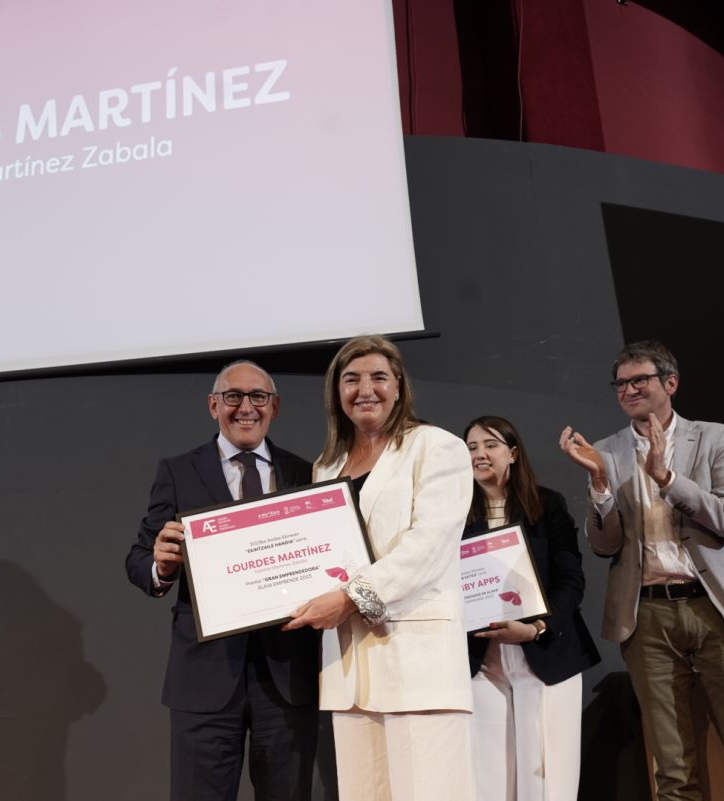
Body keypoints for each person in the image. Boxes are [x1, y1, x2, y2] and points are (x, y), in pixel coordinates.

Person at [558, 340, 724, 801]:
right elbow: (605, 546)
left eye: (638, 380)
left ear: (670, 383)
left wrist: (668, 479)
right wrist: (600, 486)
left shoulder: (713, 437)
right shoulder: (605, 450)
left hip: (718, 612)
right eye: (620, 383)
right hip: (647, 618)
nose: (628, 390)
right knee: (673, 772)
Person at [284, 335, 475, 801]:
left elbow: (428, 546)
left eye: (378, 377)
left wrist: (349, 597)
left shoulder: (436, 447)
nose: (364, 389)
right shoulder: (326, 467)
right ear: (336, 391)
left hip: (417, 664)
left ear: (399, 385)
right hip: (350, 672)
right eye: (351, 379)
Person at [124, 360, 320, 801]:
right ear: (213, 406)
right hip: (204, 678)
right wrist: (162, 565)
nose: (245, 407)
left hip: (287, 678)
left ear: (275, 407)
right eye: (233, 396)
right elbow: (138, 560)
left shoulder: (306, 475)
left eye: (258, 397)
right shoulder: (177, 470)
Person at [462, 415, 600, 801]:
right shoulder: (455, 515)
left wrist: (538, 627)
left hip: (544, 654)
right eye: (471, 447)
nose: (479, 454)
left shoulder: (546, 505)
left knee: (545, 781)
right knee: (489, 783)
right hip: (482, 663)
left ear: (513, 453)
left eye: (489, 445)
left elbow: (571, 579)